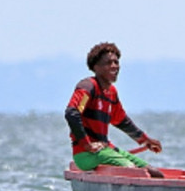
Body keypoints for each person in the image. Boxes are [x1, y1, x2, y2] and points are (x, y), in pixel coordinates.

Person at [64, 42, 165, 178]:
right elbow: (72, 113)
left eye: (116, 62)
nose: (114, 66)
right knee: (134, 171)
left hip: (106, 149)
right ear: (96, 67)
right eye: (108, 63)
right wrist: (87, 145)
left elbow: (121, 120)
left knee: (155, 173)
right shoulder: (88, 87)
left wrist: (145, 140)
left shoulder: (111, 92)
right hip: (86, 154)